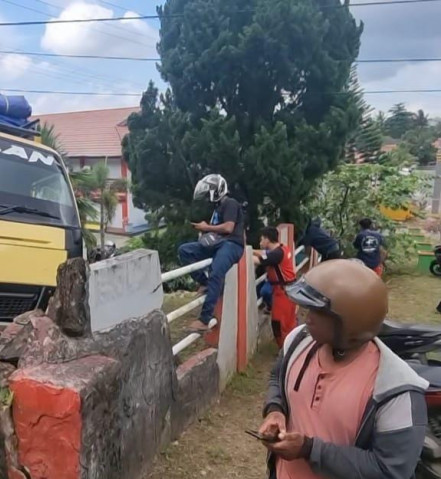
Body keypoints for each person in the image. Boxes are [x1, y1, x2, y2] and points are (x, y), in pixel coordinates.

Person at [259, 260, 427, 479]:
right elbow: (278, 379)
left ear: (350, 322)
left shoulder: (396, 390)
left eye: (318, 312)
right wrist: (275, 410)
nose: (307, 318)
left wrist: (309, 449)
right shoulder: (298, 342)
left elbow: (391, 470)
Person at [178, 174, 245, 332]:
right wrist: (204, 233)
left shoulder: (230, 203)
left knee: (216, 272)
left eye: (208, 193)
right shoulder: (217, 208)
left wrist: (206, 228)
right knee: (184, 251)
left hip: (232, 244)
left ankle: (204, 319)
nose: (208, 198)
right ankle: (204, 282)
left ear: (217, 190)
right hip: (218, 243)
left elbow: (229, 227)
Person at [253, 227, 296, 347]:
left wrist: (240, 254)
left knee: (279, 323)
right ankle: (291, 347)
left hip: (282, 292)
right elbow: (264, 254)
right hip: (289, 290)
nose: (260, 242)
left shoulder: (276, 254)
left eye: (262, 240)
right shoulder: (282, 248)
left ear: (267, 240)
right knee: (289, 322)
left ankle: (284, 350)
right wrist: (250, 250)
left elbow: (258, 260)